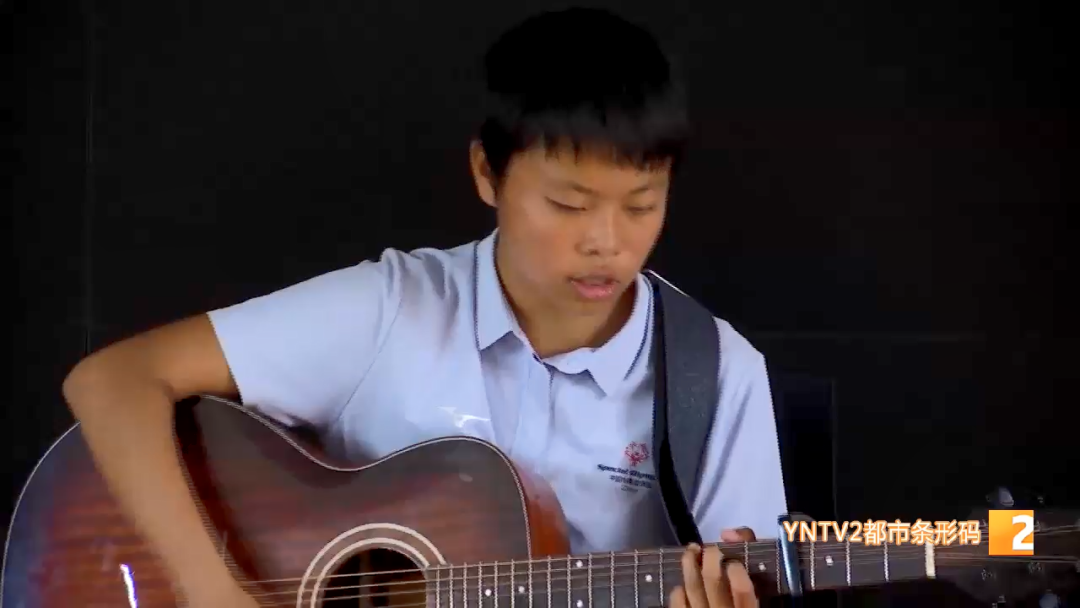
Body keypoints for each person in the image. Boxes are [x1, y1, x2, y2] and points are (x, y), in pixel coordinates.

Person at [62, 7, 787, 608]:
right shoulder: (391, 309)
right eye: (569, 204)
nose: (607, 242)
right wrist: (213, 590)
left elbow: (745, 578)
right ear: (487, 173)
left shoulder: (717, 376)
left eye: (641, 205)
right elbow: (112, 381)